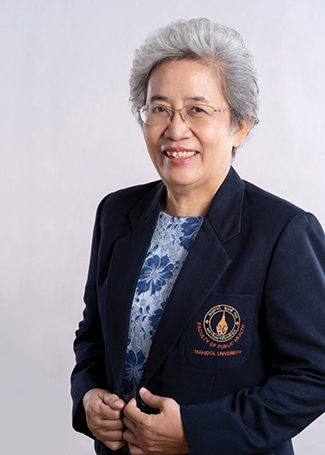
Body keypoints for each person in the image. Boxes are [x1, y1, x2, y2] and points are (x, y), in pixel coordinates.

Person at [71, 18, 325, 455]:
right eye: (159, 108)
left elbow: (315, 376)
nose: (175, 129)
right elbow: (93, 337)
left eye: (197, 109)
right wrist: (88, 398)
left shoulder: (283, 231)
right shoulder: (116, 213)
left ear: (239, 126)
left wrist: (194, 432)